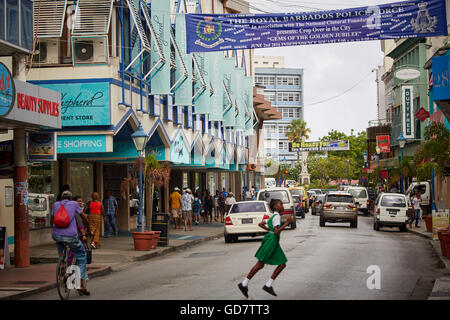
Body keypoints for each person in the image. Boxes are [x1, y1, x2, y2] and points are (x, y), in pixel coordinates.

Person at [238, 199, 293, 298]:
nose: (283, 206)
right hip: (272, 242)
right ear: (276, 207)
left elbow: (260, 224)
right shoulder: (276, 217)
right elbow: (276, 232)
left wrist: (269, 230)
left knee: (281, 264)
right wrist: (286, 223)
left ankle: (267, 285)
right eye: (281, 204)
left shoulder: (274, 216)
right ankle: (244, 284)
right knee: (260, 264)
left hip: (272, 240)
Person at [51, 190, 90, 295]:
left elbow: (52, 219)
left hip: (56, 235)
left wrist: (54, 229)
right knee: (81, 255)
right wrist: (88, 228)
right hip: (70, 236)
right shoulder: (74, 204)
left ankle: (62, 265)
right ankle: (79, 283)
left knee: (61, 251)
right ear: (71, 198)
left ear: (61, 198)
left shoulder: (55, 204)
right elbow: (83, 218)